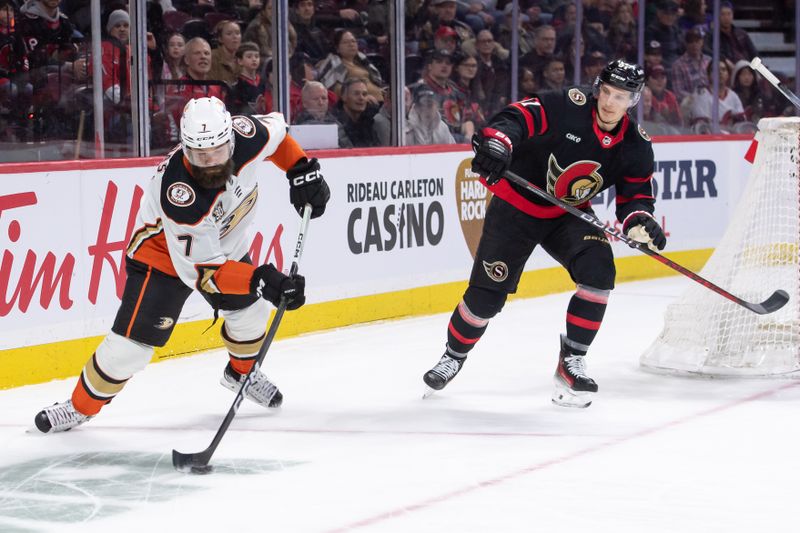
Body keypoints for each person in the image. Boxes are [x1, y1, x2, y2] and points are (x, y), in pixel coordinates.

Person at [34, 96, 331, 433]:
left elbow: (278, 138)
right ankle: (79, 407)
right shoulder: (180, 195)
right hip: (160, 259)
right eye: (199, 156)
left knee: (251, 317)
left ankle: (241, 374)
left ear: (230, 141)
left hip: (223, 244)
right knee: (128, 350)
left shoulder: (247, 135)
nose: (210, 163)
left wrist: (301, 170)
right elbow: (208, 274)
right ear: (185, 148)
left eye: (217, 153)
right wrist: (261, 279)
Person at [423, 60, 664, 408]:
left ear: (634, 100)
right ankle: (453, 356)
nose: (610, 103)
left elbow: (636, 196)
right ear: (599, 87)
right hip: (515, 206)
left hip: (567, 212)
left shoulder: (635, 144)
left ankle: (571, 362)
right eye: (607, 92)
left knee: (599, 271)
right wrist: (498, 144)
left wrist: (640, 221)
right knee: (485, 300)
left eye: (621, 97)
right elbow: (515, 119)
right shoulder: (567, 105)